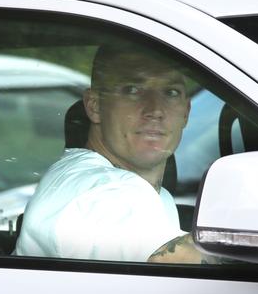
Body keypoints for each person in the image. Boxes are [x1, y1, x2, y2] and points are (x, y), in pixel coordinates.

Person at [14, 45, 203, 263]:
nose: (155, 110)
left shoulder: (148, 194)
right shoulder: (102, 191)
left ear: (186, 112)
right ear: (94, 106)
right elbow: (171, 262)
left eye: (171, 92)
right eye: (132, 90)